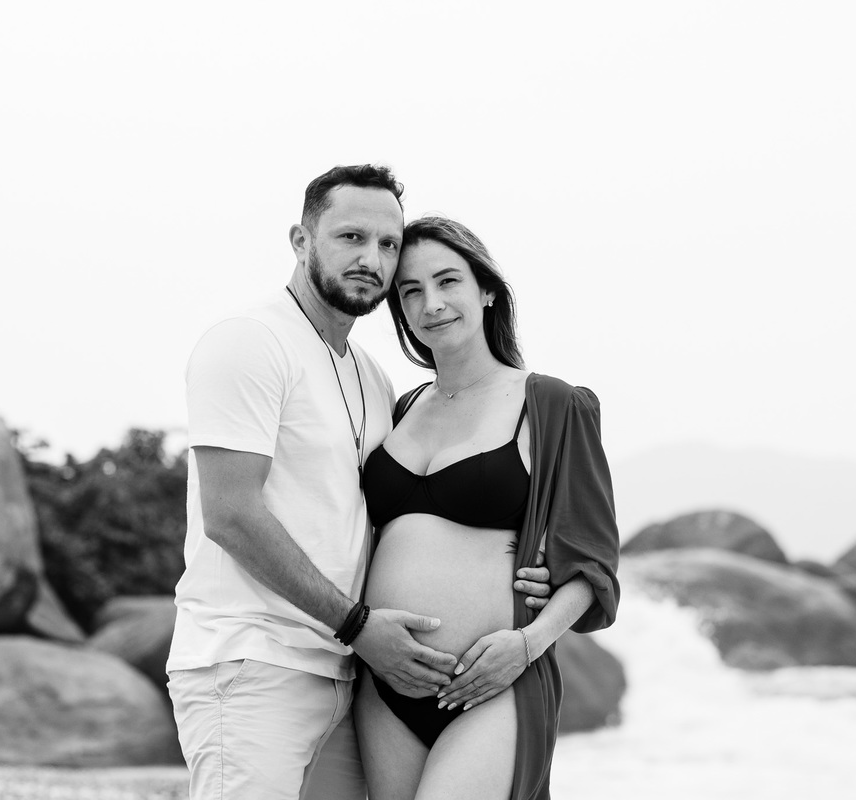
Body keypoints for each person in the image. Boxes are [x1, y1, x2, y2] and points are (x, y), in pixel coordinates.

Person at [166, 165, 555, 800]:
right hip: (252, 663)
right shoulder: (250, 342)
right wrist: (356, 623)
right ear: (301, 240)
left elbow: (393, 521)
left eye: (387, 244)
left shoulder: (372, 378)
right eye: (350, 237)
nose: (371, 259)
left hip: (349, 679)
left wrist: (522, 565)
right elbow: (230, 515)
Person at [355, 216, 621, 800]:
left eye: (448, 281)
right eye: (411, 291)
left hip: (493, 683)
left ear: (487, 290)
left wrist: (526, 646)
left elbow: (594, 564)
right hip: (384, 686)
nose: (432, 304)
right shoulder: (401, 409)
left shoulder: (551, 404)